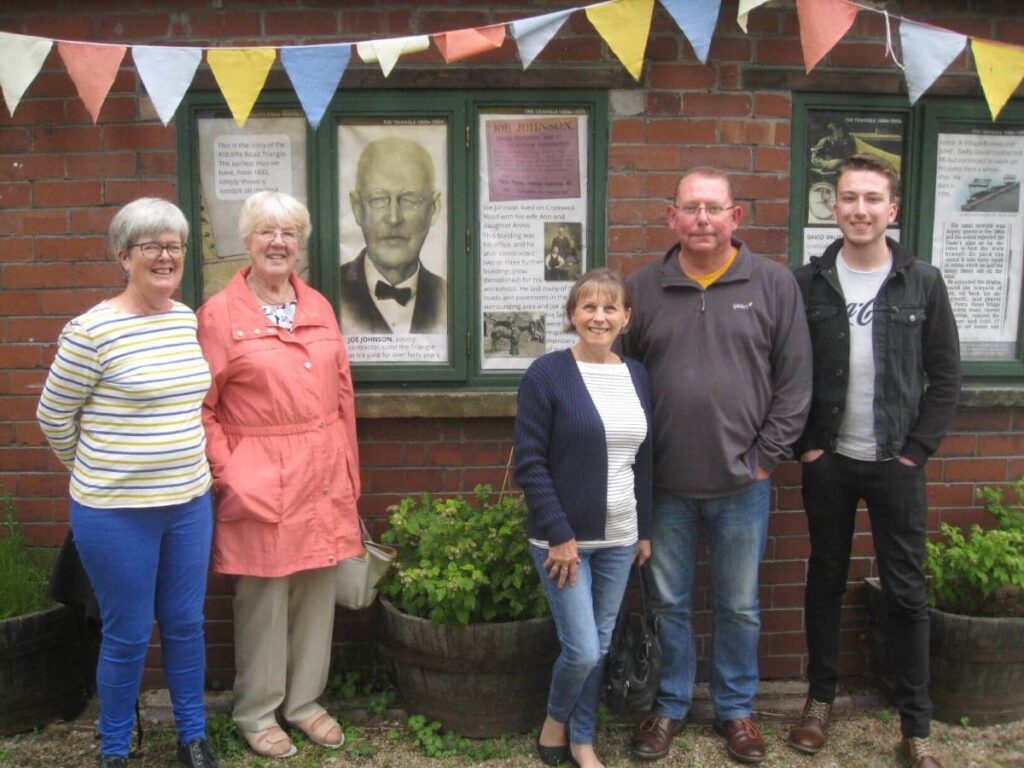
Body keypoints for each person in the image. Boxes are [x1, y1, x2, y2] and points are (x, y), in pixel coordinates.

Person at [620, 168, 812, 765]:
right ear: (670, 216)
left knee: (739, 605)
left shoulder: (775, 284)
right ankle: (671, 704)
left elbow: (795, 384)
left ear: (736, 217)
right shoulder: (643, 289)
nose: (702, 219)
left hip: (742, 485)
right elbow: (619, 382)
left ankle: (736, 709)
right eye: (690, 207)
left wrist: (763, 460)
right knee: (669, 603)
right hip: (666, 487)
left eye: (714, 208)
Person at [788, 154, 961, 768]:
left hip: (896, 463)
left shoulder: (923, 282)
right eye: (848, 198)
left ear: (892, 209)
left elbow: (945, 377)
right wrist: (805, 445)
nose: (859, 209)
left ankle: (916, 727)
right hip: (829, 459)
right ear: (833, 208)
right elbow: (786, 371)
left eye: (871, 199)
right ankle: (819, 700)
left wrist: (917, 452)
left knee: (908, 593)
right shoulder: (806, 284)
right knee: (825, 578)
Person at [36, 198, 219, 768]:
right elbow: (52, 416)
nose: (165, 256)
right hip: (116, 513)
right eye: (151, 246)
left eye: (175, 246)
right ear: (123, 256)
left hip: (189, 502)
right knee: (129, 633)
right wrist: (97, 471)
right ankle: (114, 749)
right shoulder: (91, 332)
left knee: (187, 624)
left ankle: (193, 738)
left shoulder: (185, 319)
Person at [197, 192, 362, 760]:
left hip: (320, 477)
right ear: (246, 241)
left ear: (302, 243)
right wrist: (232, 472)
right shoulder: (220, 315)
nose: (278, 243)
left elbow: (342, 400)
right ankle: (257, 710)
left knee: (316, 594)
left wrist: (348, 474)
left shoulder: (316, 304)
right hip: (260, 476)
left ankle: (304, 703)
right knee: (264, 600)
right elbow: (202, 407)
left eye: (289, 232)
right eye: (266, 231)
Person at [515, 268, 653, 768]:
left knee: (601, 640)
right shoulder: (546, 374)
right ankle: (555, 722)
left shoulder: (636, 374)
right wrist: (558, 534)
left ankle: (582, 739)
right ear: (572, 315)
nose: (599, 317)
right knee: (583, 650)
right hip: (564, 541)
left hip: (621, 537)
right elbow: (529, 462)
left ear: (626, 318)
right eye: (588, 307)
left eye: (610, 307)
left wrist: (645, 530)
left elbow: (644, 459)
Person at [341, 136, 447, 334]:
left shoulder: (449, 299)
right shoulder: (328, 293)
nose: (393, 218)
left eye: (409, 199)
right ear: (357, 208)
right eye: (378, 199)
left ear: (433, 208)